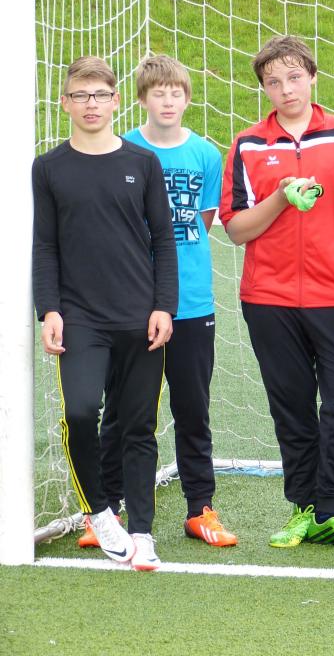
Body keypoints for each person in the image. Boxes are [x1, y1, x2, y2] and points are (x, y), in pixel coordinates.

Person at [220, 35, 334, 551]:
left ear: (313, 77)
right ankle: (307, 509)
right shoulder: (248, 145)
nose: (285, 89)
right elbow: (236, 229)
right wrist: (279, 199)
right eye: (273, 82)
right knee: (291, 406)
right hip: (267, 298)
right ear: (264, 89)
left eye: (294, 77)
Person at [77, 55, 238, 551]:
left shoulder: (205, 154)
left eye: (176, 93)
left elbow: (199, 225)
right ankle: (108, 512)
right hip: (129, 303)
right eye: (158, 93)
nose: (168, 101)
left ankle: (200, 509)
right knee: (122, 412)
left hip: (190, 302)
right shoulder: (122, 149)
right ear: (142, 98)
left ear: (187, 98)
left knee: (192, 407)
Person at [32, 56, 177, 571]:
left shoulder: (143, 162)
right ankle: (100, 513)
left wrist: (164, 306)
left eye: (99, 94)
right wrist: (49, 309)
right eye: (80, 95)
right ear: (65, 103)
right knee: (80, 412)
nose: (90, 104)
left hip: (139, 316)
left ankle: (142, 530)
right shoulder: (49, 167)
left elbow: (163, 240)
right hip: (80, 319)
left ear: (116, 101)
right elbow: (45, 245)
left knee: (138, 425)